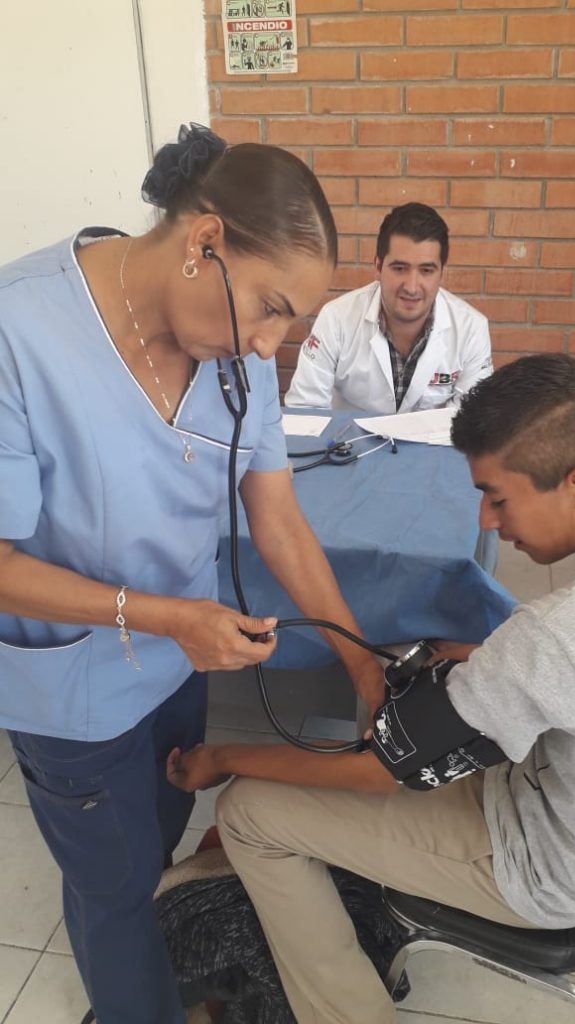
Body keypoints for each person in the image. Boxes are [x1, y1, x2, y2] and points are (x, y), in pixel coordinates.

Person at [168, 353, 575, 1024]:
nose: (487, 520)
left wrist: (219, 758)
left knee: (250, 811)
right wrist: (498, 660)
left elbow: (384, 770)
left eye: (499, 497)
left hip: (548, 868)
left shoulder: (568, 635)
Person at [0, 123, 385, 1024]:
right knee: (115, 885)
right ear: (204, 240)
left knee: (154, 844)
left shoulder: (234, 366)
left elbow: (278, 519)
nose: (267, 346)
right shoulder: (20, 329)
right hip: (72, 687)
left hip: (180, 668)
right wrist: (165, 615)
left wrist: (359, 657)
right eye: (270, 307)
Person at [284, 202, 493, 414]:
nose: (412, 287)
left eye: (426, 270)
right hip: (348, 445)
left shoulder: (471, 330)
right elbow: (305, 410)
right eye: (399, 268)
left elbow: (472, 422)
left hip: (431, 447)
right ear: (377, 266)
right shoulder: (336, 319)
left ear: (441, 272)